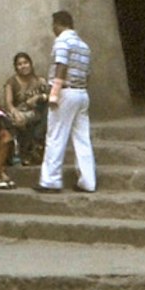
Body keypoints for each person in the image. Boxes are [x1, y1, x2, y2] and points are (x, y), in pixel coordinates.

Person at [38, 12, 96, 193]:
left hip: (66, 92)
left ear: (58, 24)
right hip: (81, 93)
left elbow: (61, 66)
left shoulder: (63, 41)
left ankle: (50, 181)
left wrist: (54, 93)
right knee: (82, 139)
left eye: (53, 25)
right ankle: (88, 181)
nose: (52, 29)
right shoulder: (84, 46)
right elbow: (88, 74)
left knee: (55, 136)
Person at [5, 52, 48, 174]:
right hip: (19, 113)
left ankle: (35, 149)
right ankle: (23, 153)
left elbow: (51, 96)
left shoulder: (40, 81)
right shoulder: (12, 82)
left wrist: (39, 97)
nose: (23, 66)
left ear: (30, 64)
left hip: (36, 113)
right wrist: (15, 112)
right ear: (16, 67)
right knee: (16, 121)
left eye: (25, 63)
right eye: (19, 64)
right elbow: (9, 103)